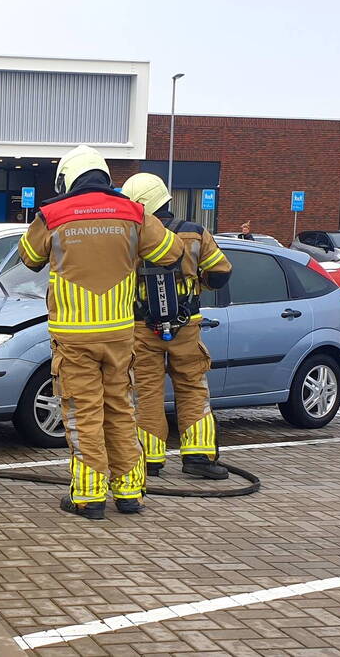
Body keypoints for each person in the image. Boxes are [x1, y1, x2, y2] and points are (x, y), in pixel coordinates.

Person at [18, 146, 183, 519]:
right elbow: (171, 253)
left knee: (83, 413)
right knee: (121, 409)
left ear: (67, 179)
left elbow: (28, 257)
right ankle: (129, 492)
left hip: (74, 335)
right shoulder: (134, 212)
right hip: (119, 334)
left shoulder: (53, 214)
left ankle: (89, 496)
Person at [121, 173, 233, 480]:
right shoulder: (195, 233)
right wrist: (197, 282)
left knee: (147, 392)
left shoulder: (131, 236)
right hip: (186, 326)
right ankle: (198, 457)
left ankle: (148, 460)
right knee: (192, 387)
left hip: (142, 327)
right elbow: (221, 272)